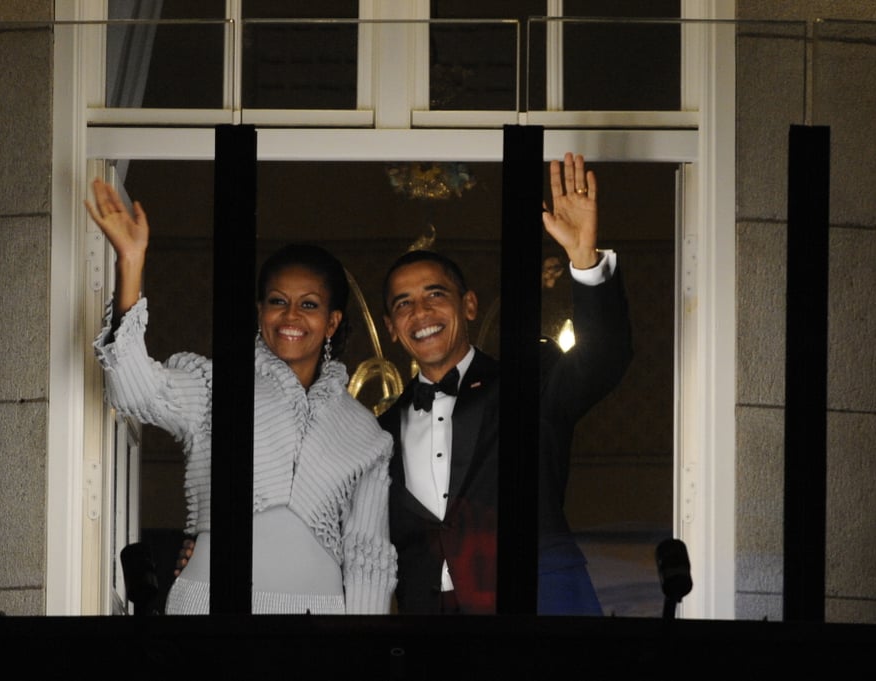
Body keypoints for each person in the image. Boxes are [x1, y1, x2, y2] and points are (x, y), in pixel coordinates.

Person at [85, 178, 398, 614]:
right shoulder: (217, 384)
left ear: (331, 322)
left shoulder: (366, 433)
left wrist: (362, 652)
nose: (290, 315)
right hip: (210, 606)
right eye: (277, 300)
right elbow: (137, 391)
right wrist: (131, 261)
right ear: (260, 312)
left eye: (309, 304)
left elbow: (369, 558)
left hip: (323, 620)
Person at [377, 152, 633, 615]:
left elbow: (604, 359)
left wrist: (584, 259)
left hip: (537, 605)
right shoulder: (377, 431)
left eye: (436, 294)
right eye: (404, 304)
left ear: (469, 305)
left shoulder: (529, 383)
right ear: (392, 327)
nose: (421, 313)